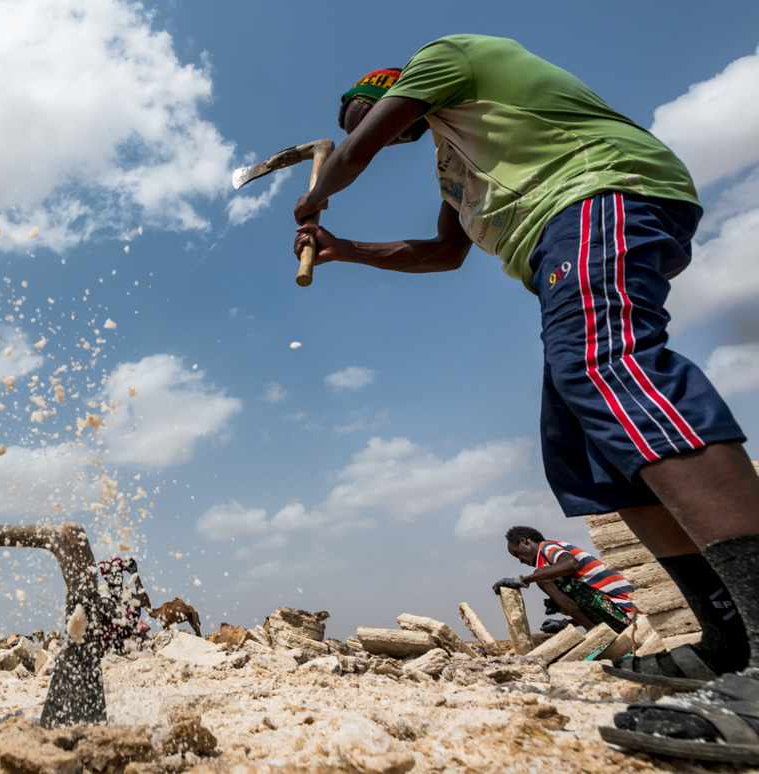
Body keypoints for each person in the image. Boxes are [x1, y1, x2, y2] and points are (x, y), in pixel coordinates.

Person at [290, 35, 759, 763]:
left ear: (388, 93)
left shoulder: (449, 57)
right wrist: (343, 245)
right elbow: (444, 253)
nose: (358, 126)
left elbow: (354, 155)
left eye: (366, 113)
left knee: (611, 370)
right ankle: (727, 637)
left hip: (596, 194)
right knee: (585, 447)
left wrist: (320, 186)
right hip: (554, 248)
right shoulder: (457, 164)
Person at [494, 526, 634, 634]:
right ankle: (596, 631)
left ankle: (598, 635)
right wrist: (566, 623)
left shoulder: (547, 546)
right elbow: (590, 604)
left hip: (627, 612)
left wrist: (522, 581)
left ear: (523, 541)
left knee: (543, 576)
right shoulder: (552, 563)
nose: (521, 561)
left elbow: (572, 564)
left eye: (518, 554)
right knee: (547, 576)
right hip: (620, 614)